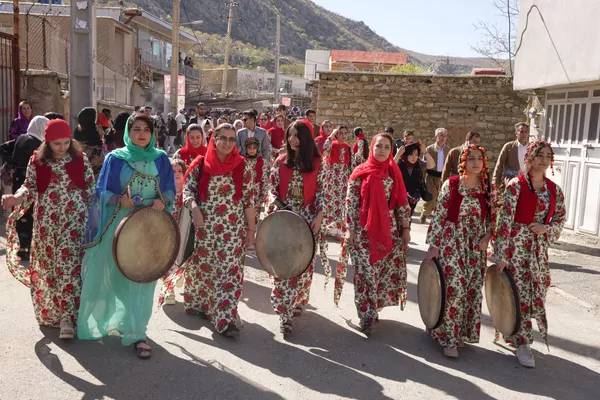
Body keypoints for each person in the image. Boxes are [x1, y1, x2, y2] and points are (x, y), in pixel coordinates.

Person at [77, 114, 175, 359]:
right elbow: (101, 191)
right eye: (136, 129)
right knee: (117, 276)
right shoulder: (115, 159)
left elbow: (170, 191)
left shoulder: (161, 159)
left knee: (142, 280)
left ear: (153, 133)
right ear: (128, 133)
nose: (141, 133)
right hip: (118, 227)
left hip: (150, 229)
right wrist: (119, 200)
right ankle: (120, 320)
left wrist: (162, 202)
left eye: (146, 129)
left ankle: (137, 332)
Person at [2, 119, 95, 339]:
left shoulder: (80, 159)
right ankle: (55, 313)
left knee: (70, 268)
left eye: (65, 143)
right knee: (50, 269)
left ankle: (67, 319)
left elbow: (91, 187)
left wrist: (96, 218)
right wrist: (15, 198)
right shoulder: (37, 161)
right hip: (46, 224)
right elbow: (30, 186)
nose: (62, 148)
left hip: (74, 222)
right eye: (56, 144)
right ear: (47, 142)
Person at [493, 140, 566, 368]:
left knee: (537, 293)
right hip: (516, 248)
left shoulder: (554, 190)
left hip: (538, 251)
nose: (544, 159)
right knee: (519, 294)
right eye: (539, 154)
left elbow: (560, 218)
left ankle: (513, 332)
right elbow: (504, 221)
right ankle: (523, 342)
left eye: (548, 155)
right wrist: (501, 254)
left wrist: (547, 229)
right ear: (530, 157)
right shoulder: (516, 185)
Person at [181, 123, 257, 337]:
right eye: (222, 138)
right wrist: (193, 206)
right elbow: (188, 190)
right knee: (205, 269)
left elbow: (249, 200)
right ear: (214, 139)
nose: (227, 143)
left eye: (232, 139)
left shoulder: (243, 166)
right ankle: (206, 307)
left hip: (232, 231)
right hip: (204, 229)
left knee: (229, 273)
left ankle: (225, 320)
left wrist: (251, 230)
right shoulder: (200, 164)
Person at [423, 144, 492, 358]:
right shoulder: (451, 185)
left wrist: (487, 238)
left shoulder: (487, 188)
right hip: (451, 241)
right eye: (470, 158)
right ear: (463, 161)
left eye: (479, 158)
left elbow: (495, 218)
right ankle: (449, 339)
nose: (475, 162)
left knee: (470, 289)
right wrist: (433, 245)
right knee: (454, 287)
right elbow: (440, 215)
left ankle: (457, 332)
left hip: (475, 246)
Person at [345, 132, 411, 335]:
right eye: (378, 146)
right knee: (364, 274)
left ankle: (373, 308)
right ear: (371, 148)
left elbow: (401, 202)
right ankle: (365, 314)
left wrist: (406, 228)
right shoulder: (360, 172)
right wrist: (350, 230)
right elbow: (351, 203)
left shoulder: (393, 172)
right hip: (363, 231)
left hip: (388, 231)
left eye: (386, 147)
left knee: (379, 274)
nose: (382, 150)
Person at [269, 120, 325, 337]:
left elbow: (322, 192)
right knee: (283, 267)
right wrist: (274, 203)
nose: (292, 140)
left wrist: (320, 215)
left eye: (297, 136)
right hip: (284, 221)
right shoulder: (280, 162)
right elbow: (271, 190)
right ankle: (285, 314)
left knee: (302, 268)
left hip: (307, 222)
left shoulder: (318, 164)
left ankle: (297, 300)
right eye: (290, 135)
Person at [9, 116, 49, 259]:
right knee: (29, 213)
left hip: (18, 179)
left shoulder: (21, 137)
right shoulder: (38, 143)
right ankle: (28, 248)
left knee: (20, 212)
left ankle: (22, 246)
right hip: (29, 180)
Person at [160, 158, 188, 306]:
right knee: (167, 259)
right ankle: (168, 290)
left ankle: (179, 277)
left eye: (180, 171)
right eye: (173, 171)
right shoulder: (164, 191)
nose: (176, 174)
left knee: (182, 258)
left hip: (184, 231)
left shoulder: (189, 192)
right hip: (168, 231)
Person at [492, 122, 530, 198]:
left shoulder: (531, 148)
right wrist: (495, 185)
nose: (524, 134)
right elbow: (499, 165)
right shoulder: (508, 147)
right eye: (521, 131)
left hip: (527, 184)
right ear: (516, 133)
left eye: (526, 132)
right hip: (511, 183)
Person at [420, 128, 448, 223]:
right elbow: (424, 165)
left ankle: (437, 218)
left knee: (440, 198)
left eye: (444, 136)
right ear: (436, 137)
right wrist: (422, 179)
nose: (442, 138)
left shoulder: (448, 150)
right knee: (431, 197)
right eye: (440, 135)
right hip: (431, 177)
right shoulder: (429, 149)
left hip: (443, 177)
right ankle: (425, 213)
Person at [398, 142, 431, 217]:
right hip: (399, 198)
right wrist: (398, 154)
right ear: (406, 155)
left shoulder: (418, 165)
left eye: (416, 155)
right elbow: (390, 166)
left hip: (413, 199)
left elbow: (431, 165)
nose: (414, 157)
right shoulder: (400, 164)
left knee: (408, 219)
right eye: (411, 154)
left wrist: (425, 152)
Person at [74, 107, 104, 175]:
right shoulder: (97, 129)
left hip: (81, 160)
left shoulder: (78, 130)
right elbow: (101, 143)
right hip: (95, 161)